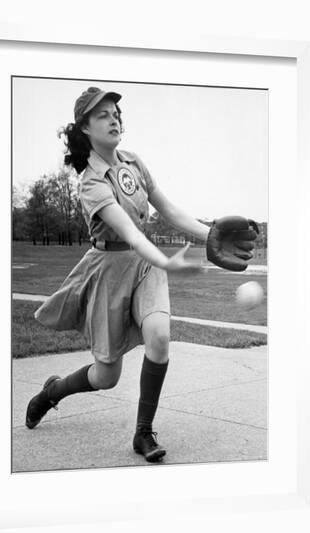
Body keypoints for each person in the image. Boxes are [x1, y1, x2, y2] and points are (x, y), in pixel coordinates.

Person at [25, 86, 258, 463]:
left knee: (160, 339)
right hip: (108, 272)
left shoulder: (132, 162)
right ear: (84, 128)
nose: (114, 118)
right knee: (106, 377)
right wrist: (169, 261)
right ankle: (53, 392)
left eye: (116, 112)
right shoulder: (90, 181)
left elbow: (168, 210)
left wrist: (209, 232)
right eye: (102, 115)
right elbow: (129, 234)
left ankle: (143, 432)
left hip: (145, 266)